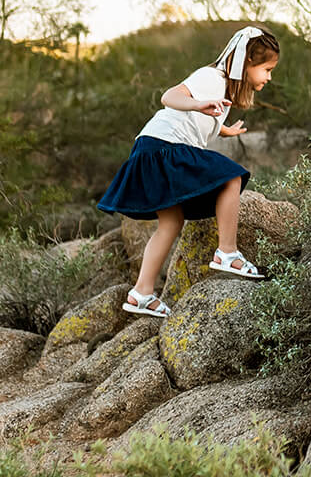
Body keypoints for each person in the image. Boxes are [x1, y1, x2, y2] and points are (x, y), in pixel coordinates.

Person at [97, 27, 280, 318]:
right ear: (247, 63)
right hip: (163, 147)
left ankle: (141, 293)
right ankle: (227, 253)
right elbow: (170, 97)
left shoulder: (223, 91)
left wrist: (222, 129)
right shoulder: (212, 77)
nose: (269, 77)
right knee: (231, 177)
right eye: (267, 69)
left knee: (171, 222)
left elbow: (195, 119)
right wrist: (197, 103)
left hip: (150, 146)